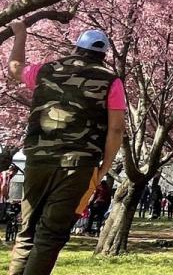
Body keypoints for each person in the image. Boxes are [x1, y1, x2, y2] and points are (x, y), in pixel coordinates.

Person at [6, 22, 126, 275]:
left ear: (76, 48)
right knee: (50, 235)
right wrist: (105, 165)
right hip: (78, 165)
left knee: (27, 231)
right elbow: (116, 129)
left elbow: (15, 68)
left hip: (38, 160)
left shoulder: (46, 71)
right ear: (103, 55)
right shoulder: (111, 81)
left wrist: (20, 35)